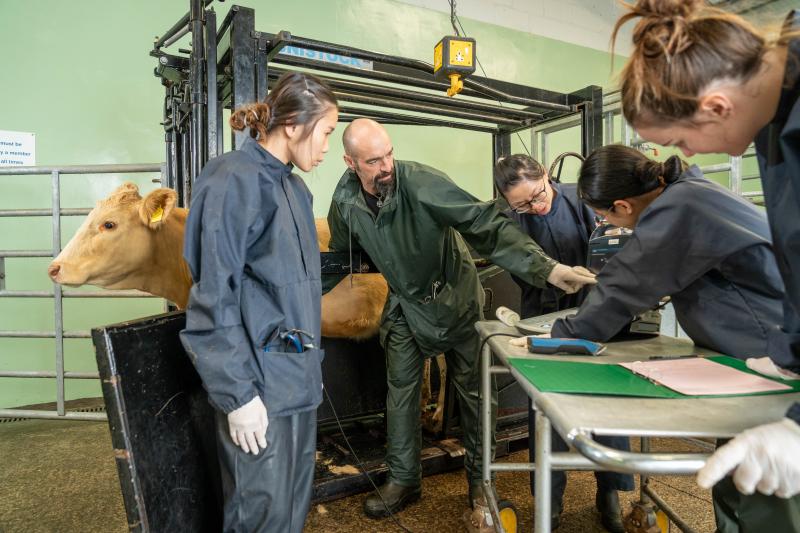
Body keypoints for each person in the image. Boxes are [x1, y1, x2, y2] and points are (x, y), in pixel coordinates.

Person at [324, 118, 597, 519]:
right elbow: (340, 252)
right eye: (373, 161)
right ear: (351, 162)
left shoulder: (421, 182)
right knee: (399, 393)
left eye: (389, 155)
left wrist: (548, 270)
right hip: (405, 304)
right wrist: (299, 297)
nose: (386, 167)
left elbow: (483, 222)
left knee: (474, 395)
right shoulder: (345, 201)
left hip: (455, 298)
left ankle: (479, 482)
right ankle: (403, 479)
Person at [610, 1, 800, 529]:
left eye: (677, 141)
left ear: (716, 107)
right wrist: (790, 353)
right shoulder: (773, 117)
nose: (682, 156)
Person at [179, 72, 338, 533]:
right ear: (293, 125)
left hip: (297, 387)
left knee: (289, 514)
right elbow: (212, 295)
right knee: (258, 518)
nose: (327, 145)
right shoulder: (232, 180)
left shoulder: (295, 190)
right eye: (326, 131)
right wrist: (238, 396)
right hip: (258, 392)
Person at [494, 154, 633, 532]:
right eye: (523, 204)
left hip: (597, 308)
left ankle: (611, 495)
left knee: (608, 403)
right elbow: (518, 263)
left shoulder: (584, 199)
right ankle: (549, 504)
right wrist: (550, 278)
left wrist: (601, 275)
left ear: (545, 174)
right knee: (546, 411)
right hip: (543, 311)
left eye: (538, 195)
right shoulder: (508, 219)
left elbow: (616, 245)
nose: (535, 207)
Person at [551, 145, 784, 358]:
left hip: (767, 337)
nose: (609, 223)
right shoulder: (690, 192)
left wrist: (566, 335)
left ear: (623, 205)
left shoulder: (679, 207)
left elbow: (628, 280)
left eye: (604, 217)